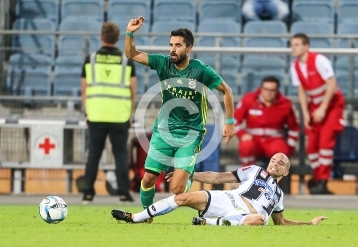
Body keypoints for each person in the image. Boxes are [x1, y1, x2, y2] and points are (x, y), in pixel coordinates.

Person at [124, 16, 236, 211]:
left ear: (189, 48)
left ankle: (186, 176)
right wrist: (130, 33)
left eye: (177, 45)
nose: (172, 49)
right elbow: (131, 54)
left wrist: (229, 122)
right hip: (164, 131)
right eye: (171, 45)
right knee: (149, 177)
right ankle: (146, 214)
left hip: (191, 134)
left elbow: (227, 90)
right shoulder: (163, 63)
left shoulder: (201, 70)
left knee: (177, 188)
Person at [111, 153, 327, 226]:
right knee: (183, 197)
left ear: (286, 172)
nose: (275, 163)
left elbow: (282, 222)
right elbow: (217, 177)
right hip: (228, 199)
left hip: (247, 216)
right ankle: (135, 217)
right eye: (274, 159)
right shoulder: (254, 170)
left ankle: (208, 223)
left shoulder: (278, 195)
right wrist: (190, 174)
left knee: (261, 220)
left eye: (281, 163)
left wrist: (309, 223)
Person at [81, 22, 137, 203]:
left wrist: (87, 112)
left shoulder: (90, 59)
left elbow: (84, 91)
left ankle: (88, 193)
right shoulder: (126, 61)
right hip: (119, 115)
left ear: (101, 37)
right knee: (120, 154)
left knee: (94, 154)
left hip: (96, 114)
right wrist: (129, 115)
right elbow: (132, 92)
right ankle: (124, 193)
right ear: (118, 39)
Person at [290, 33, 345, 195]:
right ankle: (318, 177)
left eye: (297, 44)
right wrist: (306, 114)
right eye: (292, 45)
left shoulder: (320, 60)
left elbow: (332, 84)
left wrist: (323, 108)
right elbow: (301, 91)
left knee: (325, 142)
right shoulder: (295, 66)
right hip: (314, 105)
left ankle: (323, 180)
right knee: (312, 145)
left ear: (306, 46)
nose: (293, 48)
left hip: (332, 104)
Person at [235, 75, 299, 167]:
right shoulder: (248, 100)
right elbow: (234, 121)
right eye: (266, 89)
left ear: (277, 91)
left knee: (281, 154)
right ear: (261, 89)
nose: (268, 93)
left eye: (272, 90)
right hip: (253, 139)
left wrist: (290, 148)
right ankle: (249, 176)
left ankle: (273, 180)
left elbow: (294, 128)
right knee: (246, 146)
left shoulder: (285, 104)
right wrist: (242, 134)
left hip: (274, 140)